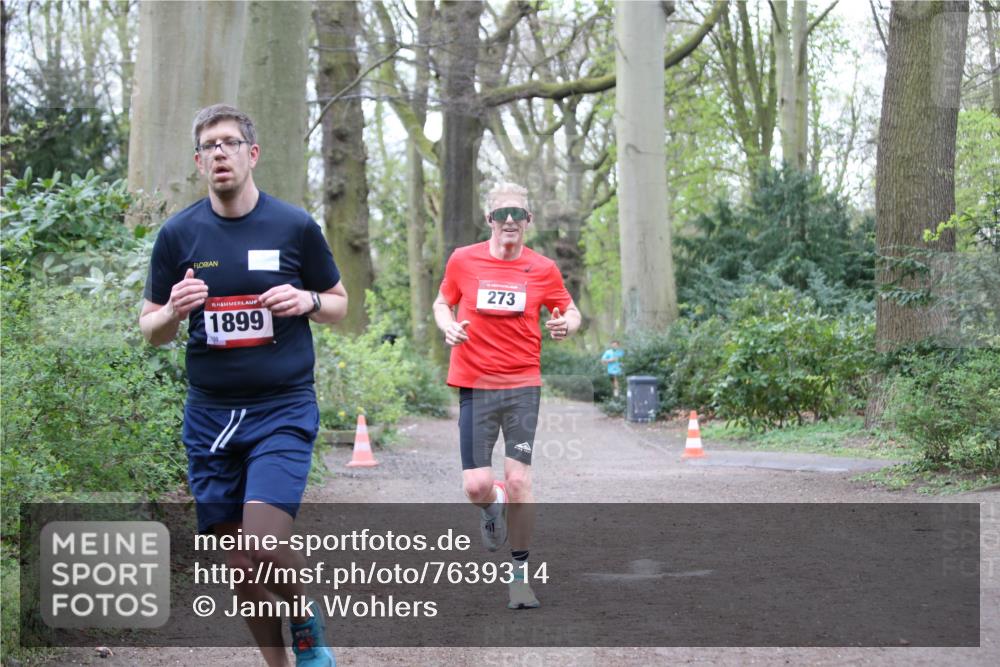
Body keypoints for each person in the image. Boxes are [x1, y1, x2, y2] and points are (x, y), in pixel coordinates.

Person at [140, 104, 346, 667]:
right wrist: (172, 312)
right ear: (198, 161)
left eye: (229, 143)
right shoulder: (179, 234)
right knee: (240, 565)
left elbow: (339, 304)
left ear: (251, 154)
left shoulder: (294, 226)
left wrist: (306, 299)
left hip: (281, 408)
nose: (219, 153)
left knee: (262, 542)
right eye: (209, 146)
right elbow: (151, 330)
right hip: (210, 417)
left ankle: (305, 627)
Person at [432, 182, 582, 610]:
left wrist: (566, 325)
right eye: (502, 214)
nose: (510, 220)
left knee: (519, 480)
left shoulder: (543, 268)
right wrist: (448, 325)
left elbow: (571, 310)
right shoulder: (463, 260)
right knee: (476, 486)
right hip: (475, 384)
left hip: (522, 386)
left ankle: (519, 579)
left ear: (528, 221)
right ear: (490, 220)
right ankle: (491, 505)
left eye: (518, 213)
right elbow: (442, 302)